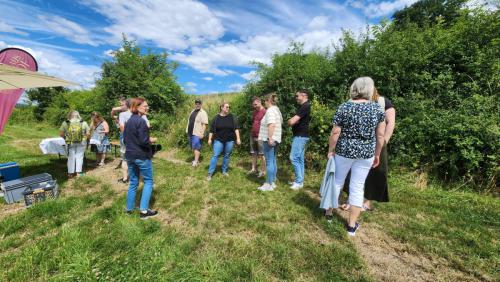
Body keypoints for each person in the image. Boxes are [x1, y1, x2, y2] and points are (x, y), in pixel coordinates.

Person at [325, 77, 385, 236]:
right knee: (357, 187)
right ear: (370, 90)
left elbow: (336, 132)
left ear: (354, 89)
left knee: (337, 181)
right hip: (366, 153)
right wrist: (377, 154)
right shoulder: (377, 109)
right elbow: (380, 136)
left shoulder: (344, 106)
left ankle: (329, 214)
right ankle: (351, 226)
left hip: (344, 151)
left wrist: (331, 149)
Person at [343, 88, 396, 211]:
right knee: (352, 170)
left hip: (377, 143)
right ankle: (351, 200)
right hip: (357, 142)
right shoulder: (356, 102)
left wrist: (383, 142)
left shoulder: (384, 102)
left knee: (374, 172)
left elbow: (391, 123)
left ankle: (367, 203)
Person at [123, 97, 158, 219]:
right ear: (136, 107)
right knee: (148, 181)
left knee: (133, 182)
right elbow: (144, 141)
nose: (147, 108)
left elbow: (125, 140)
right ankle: (144, 212)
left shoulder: (129, 121)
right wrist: (152, 140)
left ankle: (129, 209)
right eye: (145, 106)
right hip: (141, 156)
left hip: (130, 156)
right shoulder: (141, 121)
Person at [118, 99, 150, 183]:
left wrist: (128, 136)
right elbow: (148, 126)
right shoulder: (142, 116)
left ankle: (125, 178)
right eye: (145, 106)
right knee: (140, 159)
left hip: (127, 139)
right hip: (139, 141)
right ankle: (143, 178)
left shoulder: (123, 114)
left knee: (125, 158)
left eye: (122, 105)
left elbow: (122, 127)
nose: (121, 106)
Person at [207, 102, 241, 180]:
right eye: (226, 107)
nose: (228, 108)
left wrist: (238, 138)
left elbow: (236, 128)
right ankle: (210, 173)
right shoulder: (216, 118)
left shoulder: (232, 117)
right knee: (215, 155)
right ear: (221, 108)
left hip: (230, 140)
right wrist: (209, 139)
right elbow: (211, 130)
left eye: (229, 107)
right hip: (218, 140)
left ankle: (224, 171)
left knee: (227, 155)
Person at [257, 92, 283, 191]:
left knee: (269, 161)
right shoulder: (277, 110)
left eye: (265, 101)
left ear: (268, 101)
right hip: (276, 138)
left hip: (270, 139)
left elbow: (271, 124)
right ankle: (272, 182)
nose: (264, 103)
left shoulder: (271, 110)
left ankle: (268, 183)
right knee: (272, 160)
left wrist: (270, 138)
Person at [287, 90, 311, 190]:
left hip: (300, 136)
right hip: (301, 135)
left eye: (297, 96)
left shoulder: (305, 106)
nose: (295, 97)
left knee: (293, 158)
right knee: (300, 159)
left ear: (303, 96)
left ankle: (298, 181)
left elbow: (292, 121)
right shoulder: (304, 106)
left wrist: (291, 121)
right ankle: (300, 181)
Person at [59, 110, 90, 178]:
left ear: (69, 115)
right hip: (81, 142)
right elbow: (88, 133)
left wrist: (66, 138)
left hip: (70, 142)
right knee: (79, 157)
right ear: (78, 115)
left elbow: (61, 134)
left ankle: (70, 174)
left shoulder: (65, 123)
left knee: (70, 158)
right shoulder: (83, 123)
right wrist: (85, 139)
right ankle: (78, 173)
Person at [186, 99, 209, 167]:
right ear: (195, 104)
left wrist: (202, 133)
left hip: (197, 133)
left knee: (196, 147)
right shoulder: (192, 111)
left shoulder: (203, 113)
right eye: (196, 103)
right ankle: (197, 159)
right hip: (190, 132)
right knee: (192, 146)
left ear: (201, 104)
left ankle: (195, 161)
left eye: (199, 103)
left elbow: (205, 124)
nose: (197, 104)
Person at [249, 96, 266, 177]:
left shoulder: (265, 112)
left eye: (255, 104)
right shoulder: (254, 112)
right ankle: (253, 169)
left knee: (262, 154)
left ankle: (263, 171)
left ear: (259, 102)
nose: (254, 106)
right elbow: (254, 122)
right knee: (253, 153)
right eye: (253, 105)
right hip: (253, 135)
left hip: (261, 136)